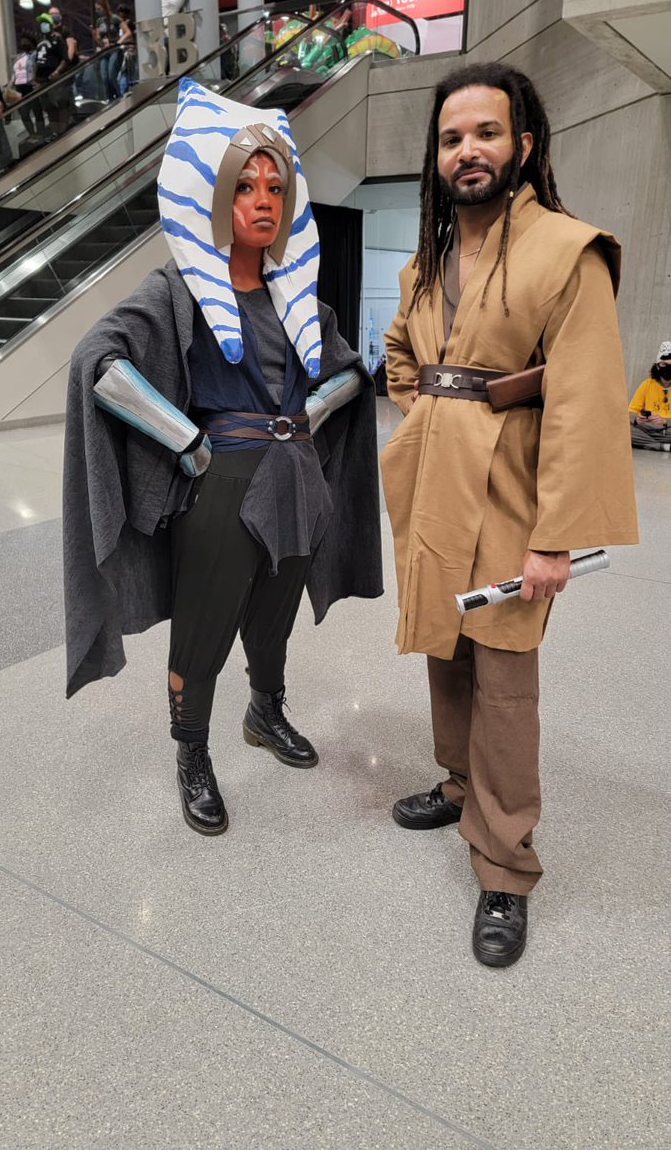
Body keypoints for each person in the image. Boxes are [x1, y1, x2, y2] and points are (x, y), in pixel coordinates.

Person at [63, 79, 382, 838]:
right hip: (221, 479)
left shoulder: (300, 300)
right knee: (204, 627)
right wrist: (186, 440)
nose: (263, 201)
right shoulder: (179, 290)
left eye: (275, 187)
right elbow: (97, 361)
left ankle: (264, 711)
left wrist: (311, 412)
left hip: (296, 477)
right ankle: (192, 751)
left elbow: (349, 373)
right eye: (245, 186)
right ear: (215, 196)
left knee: (272, 617)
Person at [381, 62, 639, 968]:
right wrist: (427, 420)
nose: (468, 150)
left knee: (503, 679)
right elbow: (399, 354)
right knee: (445, 648)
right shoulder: (425, 264)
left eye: (486, 133)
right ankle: (459, 787)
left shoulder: (568, 251)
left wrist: (554, 538)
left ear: (522, 145)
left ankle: (503, 863)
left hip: (513, 495)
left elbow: (585, 401)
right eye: (451, 138)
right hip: (434, 484)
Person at [629, 342, 671, 451]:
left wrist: (665, 421)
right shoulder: (647, 384)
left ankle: (648, 443)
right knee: (622, 429)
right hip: (646, 428)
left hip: (668, 430)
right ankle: (662, 446)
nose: (668, 368)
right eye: (664, 364)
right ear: (657, 366)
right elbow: (630, 413)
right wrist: (636, 419)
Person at [33, 12, 68, 135]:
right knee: (48, 107)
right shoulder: (40, 41)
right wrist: (35, 78)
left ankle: (63, 130)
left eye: (45, 23)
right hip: (42, 79)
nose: (43, 25)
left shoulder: (57, 38)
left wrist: (57, 71)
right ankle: (55, 132)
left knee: (60, 103)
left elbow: (65, 58)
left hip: (54, 78)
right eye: (41, 23)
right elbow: (37, 61)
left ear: (51, 25)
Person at [91, 0, 121, 100]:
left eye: (99, 9)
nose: (97, 11)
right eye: (96, 10)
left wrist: (116, 43)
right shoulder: (99, 21)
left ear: (104, 7)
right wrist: (95, 36)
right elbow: (99, 39)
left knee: (111, 74)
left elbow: (127, 32)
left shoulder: (115, 18)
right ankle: (110, 99)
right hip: (104, 51)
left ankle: (119, 95)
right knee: (104, 77)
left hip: (114, 50)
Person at [116, 5, 137, 95]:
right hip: (124, 51)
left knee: (125, 73)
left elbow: (132, 35)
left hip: (128, 51)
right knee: (125, 73)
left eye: (121, 12)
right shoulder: (123, 24)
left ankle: (124, 92)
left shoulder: (128, 23)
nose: (120, 14)